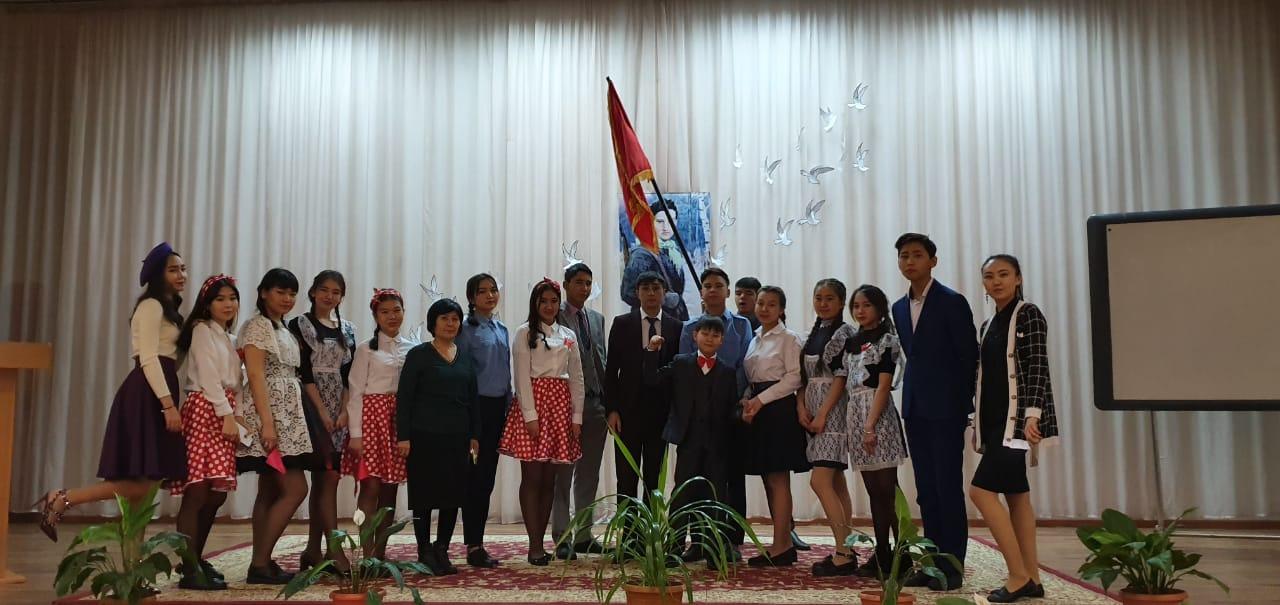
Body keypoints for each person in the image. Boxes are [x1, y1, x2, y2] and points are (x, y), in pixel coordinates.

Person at [35, 243, 189, 543]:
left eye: (183, 269)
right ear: (158, 275)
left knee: (144, 488)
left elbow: (171, 359)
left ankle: (133, 563)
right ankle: (63, 497)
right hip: (147, 393)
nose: (181, 275)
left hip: (159, 388)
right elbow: (148, 358)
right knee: (142, 484)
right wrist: (168, 405)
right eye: (173, 270)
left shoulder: (171, 311)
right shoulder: (151, 306)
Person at [970, 254, 1059, 603]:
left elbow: (1038, 367)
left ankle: (1017, 575)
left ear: (1018, 278)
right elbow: (984, 380)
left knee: (980, 492)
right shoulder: (987, 325)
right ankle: (1032, 577)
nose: (996, 281)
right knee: (1017, 495)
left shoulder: (1029, 314)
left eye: (1004, 274)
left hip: (1018, 422)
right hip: (993, 422)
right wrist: (976, 424)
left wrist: (1033, 415)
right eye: (989, 276)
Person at [890, 233, 978, 591]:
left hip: (946, 408)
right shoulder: (898, 307)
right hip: (915, 406)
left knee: (947, 487)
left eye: (917, 255)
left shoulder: (952, 302)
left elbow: (968, 357)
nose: (910, 261)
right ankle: (930, 564)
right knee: (925, 490)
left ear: (933, 261)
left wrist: (963, 406)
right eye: (904, 256)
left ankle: (952, 566)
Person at [497, 279, 585, 566]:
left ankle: (541, 541)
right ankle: (534, 544)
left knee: (550, 480)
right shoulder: (524, 333)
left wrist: (577, 416)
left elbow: (577, 378)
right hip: (534, 407)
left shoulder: (568, 335)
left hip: (560, 409)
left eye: (553, 301)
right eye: (543, 301)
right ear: (535, 304)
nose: (549, 306)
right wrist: (530, 416)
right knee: (532, 477)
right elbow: (521, 377)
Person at [236, 268, 311, 584]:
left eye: (292, 293)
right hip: (271, 416)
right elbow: (254, 374)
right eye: (280, 292)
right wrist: (268, 424)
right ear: (264, 292)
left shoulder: (280, 327)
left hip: (286, 414)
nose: (287, 298)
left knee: (269, 489)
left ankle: (261, 561)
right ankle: (260, 562)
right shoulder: (258, 326)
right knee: (296, 489)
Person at [398, 298, 481, 576]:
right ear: (433, 323)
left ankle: (442, 548)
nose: (450, 323)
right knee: (423, 496)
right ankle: (424, 551)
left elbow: (473, 400)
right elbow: (405, 398)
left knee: (452, 496)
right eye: (444, 318)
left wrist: (475, 435)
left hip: (458, 438)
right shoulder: (418, 355)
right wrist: (403, 436)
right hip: (423, 436)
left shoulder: (465, 358)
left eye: (455, 319)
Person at [833, 284, 910, 578]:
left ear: (879, 308)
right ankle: (883, 553)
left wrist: (870, 425)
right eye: (856, 306)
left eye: (866, 305)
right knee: (873, 491)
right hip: (855, 412)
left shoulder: (887, 340)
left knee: (888, 489)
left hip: (878, 415)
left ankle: (901, 553)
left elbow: (884, 384)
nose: (860, 311)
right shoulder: (851, 341)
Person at [171, 274, 242, 590]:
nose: (228, 304)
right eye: (220, 299)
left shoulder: (228, 336)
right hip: (205, 408)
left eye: (232, 298)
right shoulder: (201, 330)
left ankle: (195, 558)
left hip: (224, 410)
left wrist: (237, 416)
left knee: (216, 492)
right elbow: (210, 377)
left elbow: (236, 383)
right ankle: (189, 567)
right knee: (198, 490)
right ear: (207, 304)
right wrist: (226, 414)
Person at [678, 267, 753, 559]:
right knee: (696, 480)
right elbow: (685, 367)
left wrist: (740, 402)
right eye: (707, 285)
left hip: (732, 412)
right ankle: (698, 543)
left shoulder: (741, 326)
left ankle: (728, 540)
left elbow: (746, 366)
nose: (712, 290)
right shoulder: (689, 327)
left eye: (718, 285)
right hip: (697, 418)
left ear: (727, 291)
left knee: (730, 478)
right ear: (701, 292)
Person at [288, 270, 357, 573]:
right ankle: (334, 550)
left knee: (327, 479)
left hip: (338, 409)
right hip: (308, 404)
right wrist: (321, 412)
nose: (330, 296)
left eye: (336, 292)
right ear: (313, 292)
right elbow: (303, 371)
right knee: (324, 475)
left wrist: (344, 411)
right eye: (324, 290)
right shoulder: (299, 325)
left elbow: (348, 375)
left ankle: (314, 550)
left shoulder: (348, 329)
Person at [342, 288, 417, 564]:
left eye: (396, 310)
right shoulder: (366, 349)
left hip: (398, 422)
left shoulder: (411, 348)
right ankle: (366, 555)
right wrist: (356, 434)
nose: (392, 316)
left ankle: (380, 555)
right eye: (384, 312)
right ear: (375, 316)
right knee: (370, 488)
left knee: (390, 490)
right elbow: (355, 391)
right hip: (371, 422)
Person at [658, 316, 738, 569]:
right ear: (695, 336)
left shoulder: (728, 371)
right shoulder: (681, 363)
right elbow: (654, 380)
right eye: (705, 333)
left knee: (715, 497)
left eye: (715, 335)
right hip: (688, 441)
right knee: (683, 494)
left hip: (718, 445)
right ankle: (674, 548)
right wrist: (651, 352)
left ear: (722, 340)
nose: (710, 338)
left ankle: (712, 550)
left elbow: (732, 408)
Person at [740, 285, 809, 567]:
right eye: (761, 303)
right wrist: (748, 400)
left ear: (781, 309)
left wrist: (760, 400)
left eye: (771, 304)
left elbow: (795, 378)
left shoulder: (789, 338)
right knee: (768, 478)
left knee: (778, 478)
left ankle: (782, 545)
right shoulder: (755, 337)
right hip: (759, 409)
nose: (764, 309)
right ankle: (780, 544)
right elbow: (753, 377)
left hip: (779, 410)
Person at [603, 271, 681, 502]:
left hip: (660, 414)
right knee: (626, 476)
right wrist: (612, 410)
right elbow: (611, 370)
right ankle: (628, 526)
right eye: (645, 288)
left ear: (664, 293)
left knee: (654, 478)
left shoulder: (676, 327)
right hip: (627, 413)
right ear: (637, 293)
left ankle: (651, 523)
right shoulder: (622, 324)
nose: (651, 293)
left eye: (656, 288)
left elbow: (677, 374)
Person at [797, 279, 856, 576]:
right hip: (813, 411)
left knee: (819, 481)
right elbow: (803, 378)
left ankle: (844, 553)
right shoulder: (815, 332)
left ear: (842, 302)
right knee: (836, 482)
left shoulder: (845, 333)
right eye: (818, 297)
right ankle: (847, 548)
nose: (823, 303)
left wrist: (822, 414)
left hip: (833, 413)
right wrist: (802, 407)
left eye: (829, 298)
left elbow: (841, 378)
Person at [552, 263, 609, 559]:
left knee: (589, 474)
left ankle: (584, 536)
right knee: (562, 473)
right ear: (565, 285)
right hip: (565, 406)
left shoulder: (596, 318)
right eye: (578, 282)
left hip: (596, 404)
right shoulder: (553, 316)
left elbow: (602, 361)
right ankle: (562, 536)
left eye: (588, 283)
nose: (584, 288)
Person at [456, 273, 511, 568]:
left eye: (493, 290)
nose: (490, 295)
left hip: (498, 409)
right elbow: (462, 374)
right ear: (471, 297)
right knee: (473, 478)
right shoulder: (465, 331)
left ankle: (478, 541)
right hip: (475, 409)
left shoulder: (502, 329)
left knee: (487, 477)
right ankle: (473, 545)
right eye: (482, 291)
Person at [621, 199, 691, 321]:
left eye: (670, 221)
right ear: (651, 222)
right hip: (649, 321)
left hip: (674, 320)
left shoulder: (673, 251)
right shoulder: (641, 255)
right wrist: (663, 298)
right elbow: (627, 293)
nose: (666, 227)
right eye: (660, 221)